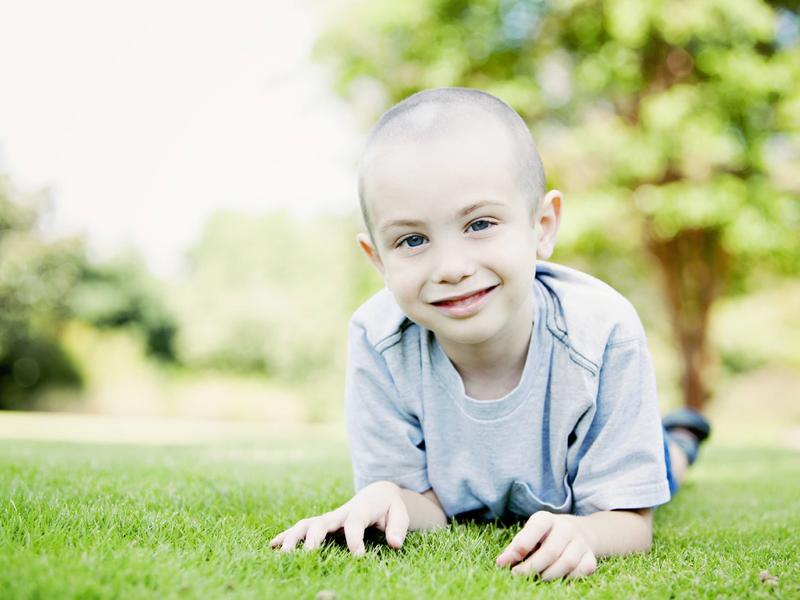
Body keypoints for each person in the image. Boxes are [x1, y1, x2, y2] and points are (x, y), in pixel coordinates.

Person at [270, 87, 711, 580]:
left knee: (666, 469)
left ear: (542, 226)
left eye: (479, 224)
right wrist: (386, 496)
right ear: (377, 259)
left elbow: (631, 521)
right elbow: (429, 509)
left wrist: (585, 532)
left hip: (590, 468)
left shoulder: (603, 331)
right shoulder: (378, 342)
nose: (452, 268)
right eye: (412, 240)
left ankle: (678, 439)